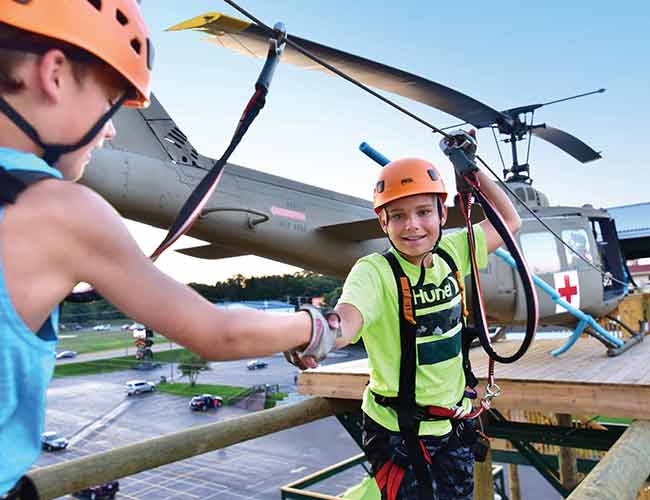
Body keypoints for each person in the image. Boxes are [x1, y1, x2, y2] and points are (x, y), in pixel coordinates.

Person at [0, 3, 338, 497]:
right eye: (112, 98)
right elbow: (219, 334)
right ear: (53, 74)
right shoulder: (58, 210)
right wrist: (313, 325)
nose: (111, 128)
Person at [303, 132, 521, 499]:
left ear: (441, 212)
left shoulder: (454, 250)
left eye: (423, 212)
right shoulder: (374, 271)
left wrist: (471, 170)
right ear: (383, 222)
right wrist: (317, 332)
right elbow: (347, 320)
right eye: (399, 216)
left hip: (453, 423)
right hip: (399, 434)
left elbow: (509, 221)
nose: (413, 226)